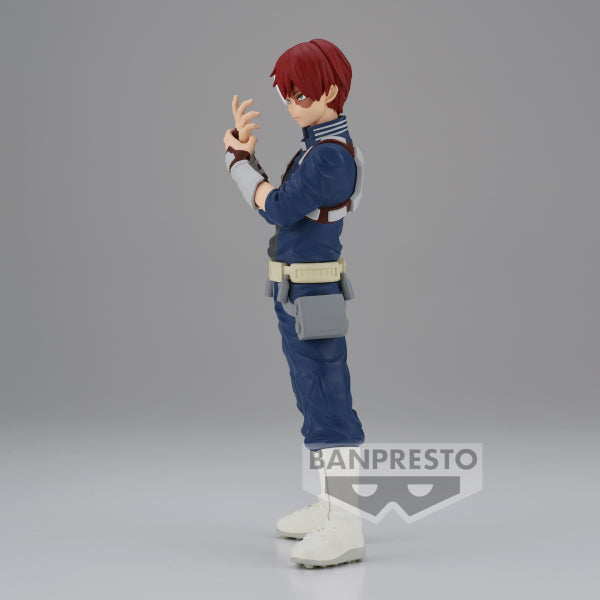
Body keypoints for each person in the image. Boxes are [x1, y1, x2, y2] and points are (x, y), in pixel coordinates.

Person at [223, 39, 365, 568]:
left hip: (314, 290)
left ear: (331, 90)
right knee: (311, 397)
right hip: (296, 289)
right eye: (287, 94)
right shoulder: (316, 147)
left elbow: (280, 208)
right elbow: (287, 201)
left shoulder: (329, 155)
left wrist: (238, 164)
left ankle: (346, 524)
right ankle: (329, 505)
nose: (291, 104)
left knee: (328, 401)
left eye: (300, 94)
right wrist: (248, 158)